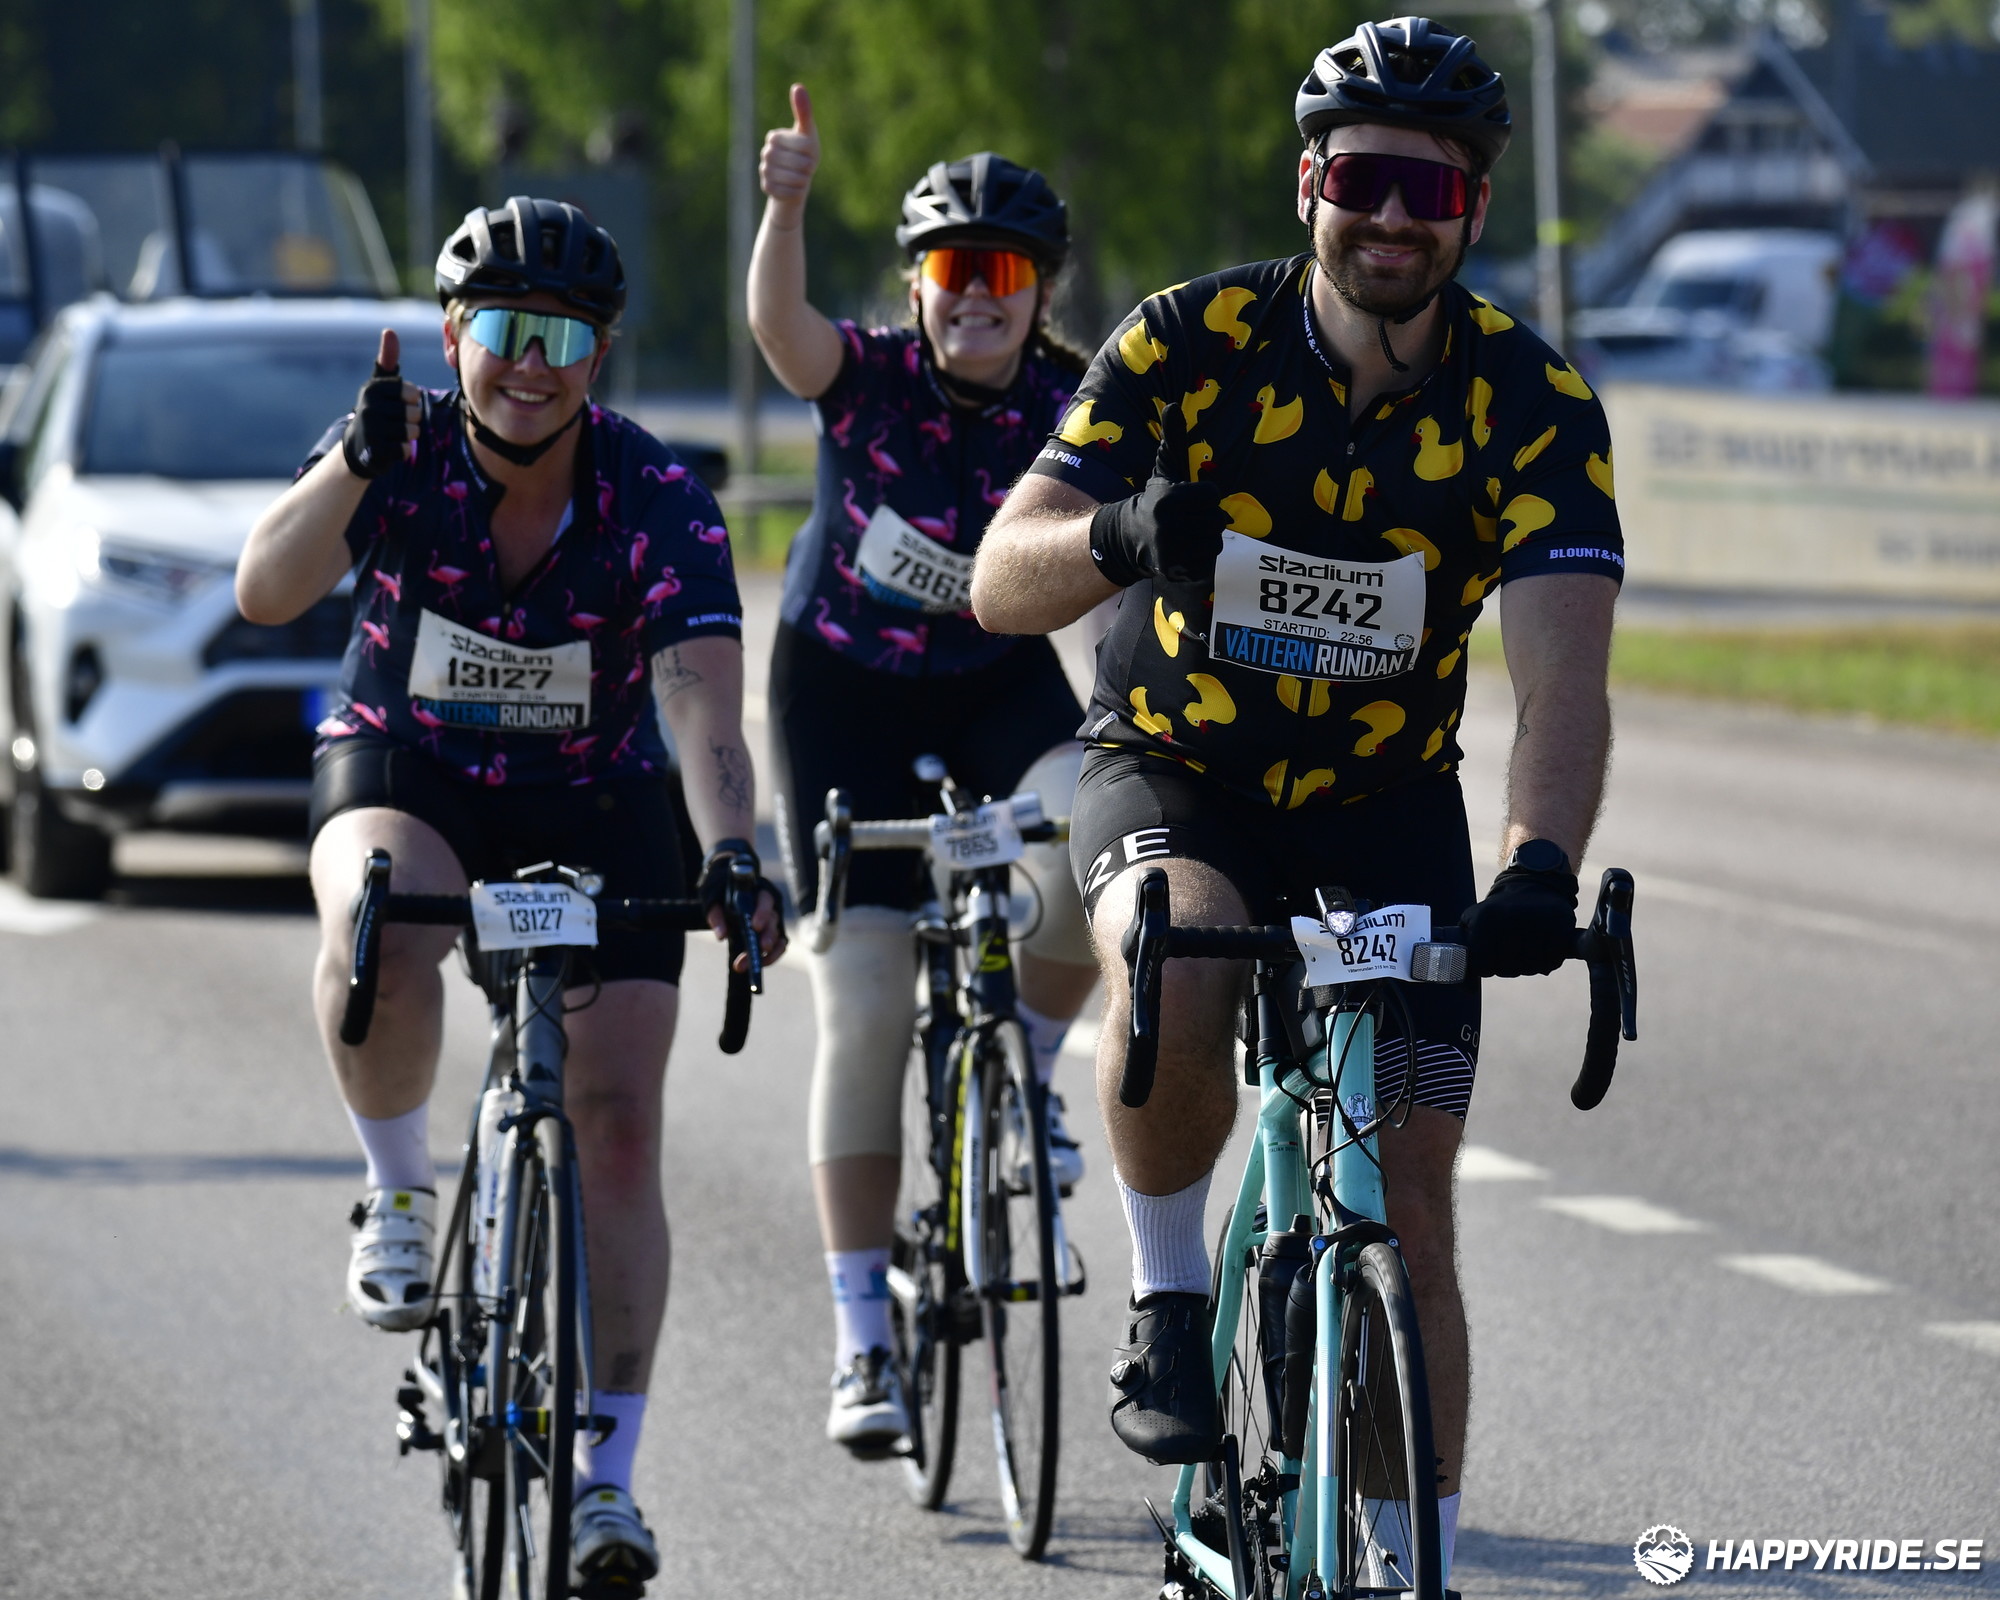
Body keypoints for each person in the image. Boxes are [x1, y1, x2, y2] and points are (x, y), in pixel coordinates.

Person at [972, 18, 1623, 1581]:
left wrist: (1538, 864)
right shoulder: (1186, 342)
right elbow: (1002, 577)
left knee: (1410, 1202)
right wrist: (1121, 534)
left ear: (1474, 208)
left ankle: (1414, 1548)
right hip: (1176, 767)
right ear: (1309, 186)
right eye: (1363, 179)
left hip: (1382, 799)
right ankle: (1170, 1299)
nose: (1394, 216)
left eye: (1432, 188)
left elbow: (1562, 680)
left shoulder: (1532, 398)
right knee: (1180, 961)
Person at [237, 196, 784, 1591]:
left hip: (597, 793)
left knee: (619, 1122)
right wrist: (350, 467)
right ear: (450, 335)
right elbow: (266, 589)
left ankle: (606, 1481)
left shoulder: (655, 494)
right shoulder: (397, 446)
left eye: (564, 338)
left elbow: (702, 704)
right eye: (502, 329)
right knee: (379, 917)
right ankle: (397, 1195)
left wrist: (732, 851)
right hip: (409, 767)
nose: (530, 365)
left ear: (602, 353)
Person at [750, 85, 1100, 1454]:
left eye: (1003, 276)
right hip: (842, 693)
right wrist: (786, 207)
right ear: (917, 287)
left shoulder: (1074, 407)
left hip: (995, 684)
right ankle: (860, 1340)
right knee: (868, 1006)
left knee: (1094, 836)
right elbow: (780, 332)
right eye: (953, 270)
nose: (976, 297)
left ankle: (1029, 1068)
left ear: (1039, 293)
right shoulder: (872, 377)